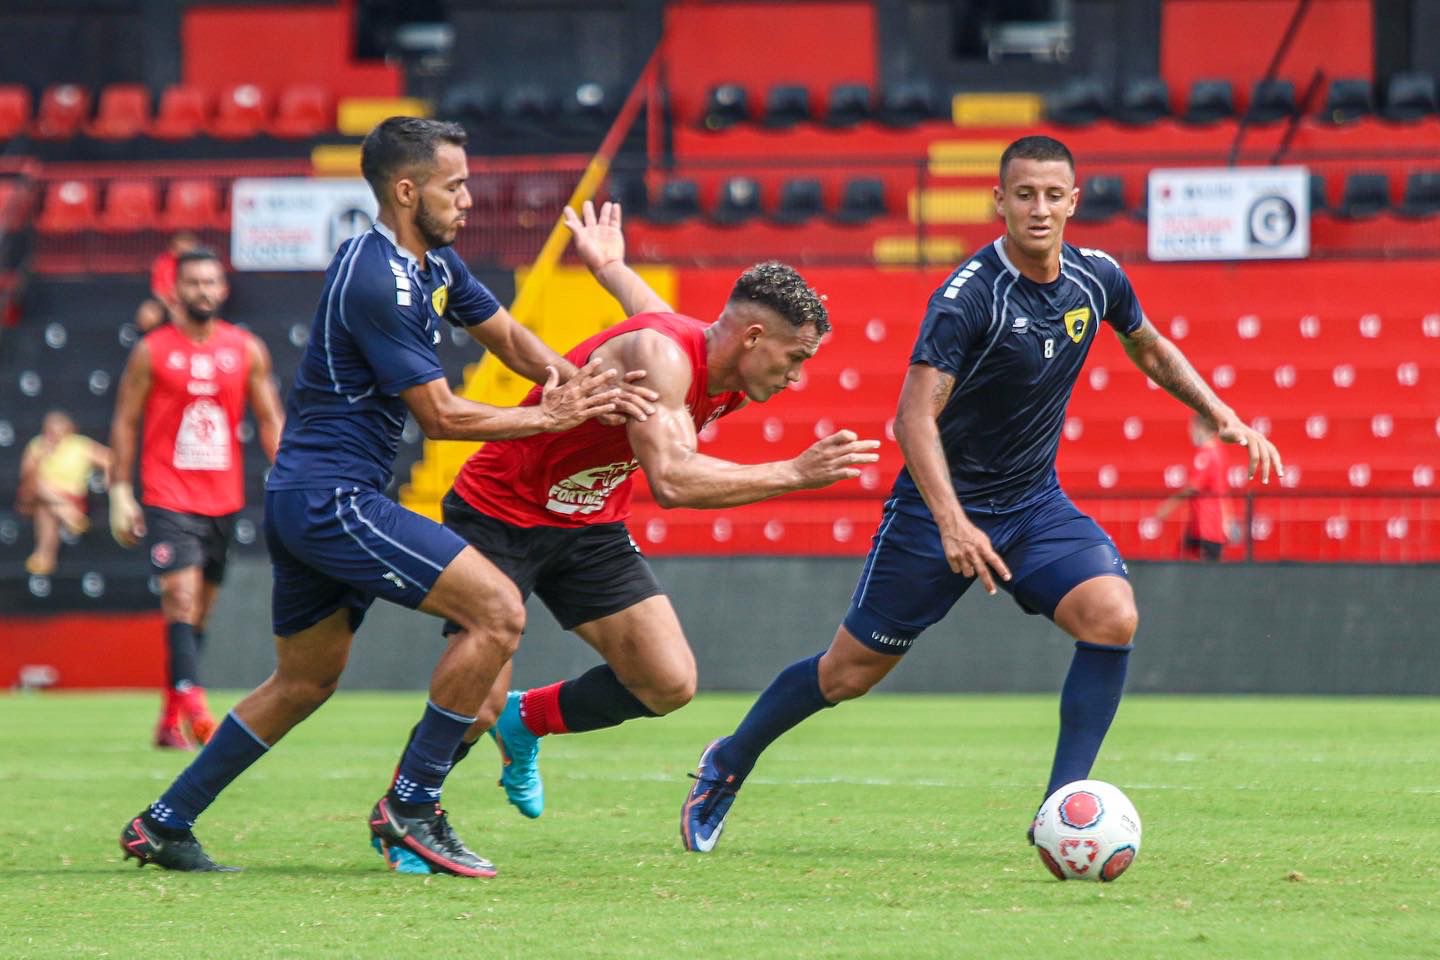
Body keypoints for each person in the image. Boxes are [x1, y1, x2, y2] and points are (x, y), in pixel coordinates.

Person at [678, 135, 1285, 855]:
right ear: (1000, 201)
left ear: (1074, 201)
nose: (1039, 208)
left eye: (1053, 195)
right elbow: (912, 419)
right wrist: (953, 522)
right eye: (1024, 194)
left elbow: (1147, 344)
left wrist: (1219, 412)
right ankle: (728, 761)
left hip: (1032, 504)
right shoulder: (968, 298)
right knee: (846, 675)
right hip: (934, 513)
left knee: (1111, 616)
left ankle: (1062, 809)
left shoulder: (1098, 278)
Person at [117, 117, 649, 877]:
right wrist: (549, 416)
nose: (468, 199)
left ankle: (163, 823)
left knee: (303, 682)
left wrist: (579, 380)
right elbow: (441, 416)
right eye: (454, 186)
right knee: (498, 612)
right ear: (406, 191)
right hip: (332, 498)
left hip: (311, 496)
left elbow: (506, 337)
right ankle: (412, 806)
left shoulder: (430, 262)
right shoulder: (380, 279)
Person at [399, 199, 879, 836]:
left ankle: (526, 719)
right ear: (753, 338)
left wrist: (610, 266)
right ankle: (410, 808)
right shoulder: (667, 356)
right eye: (794, 358)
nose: (796, 377)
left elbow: (650, 310)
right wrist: (792, 472)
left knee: (667, 681)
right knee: (475, 707)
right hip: (501, 511)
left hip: (587, 523)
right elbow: (673, 480)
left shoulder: (717, 359)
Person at [108, 248, 286, 750]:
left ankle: (169, 721)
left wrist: (290, 477)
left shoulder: (245, 348)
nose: (203, 291)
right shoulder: (152, 351)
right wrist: (120, 491)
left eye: (211, 282)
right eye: (194, 283)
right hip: (168, 495)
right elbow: (125, 421)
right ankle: (197, 710)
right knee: (180, 597)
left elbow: (270, 419)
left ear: (223, 289)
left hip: (223, 500)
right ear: (175, 291)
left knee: (198, 613)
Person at [16, 410, 111, 576]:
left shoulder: (80, 445)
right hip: (40, 497)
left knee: (45, 508)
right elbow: (26, 477)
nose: (53, 432)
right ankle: (67, 513)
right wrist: (40, 457)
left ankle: (44, 557)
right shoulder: (37, 444)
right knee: (40, 490)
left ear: (68, 428)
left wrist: (109, 481)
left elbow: (109, 459)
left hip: (71, 498)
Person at [1154, 413, 1234, 561]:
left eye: (1192, 428)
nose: (1190, 433)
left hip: (1207, 526)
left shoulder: (1206, 454)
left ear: (1200, 427)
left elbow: (1193, 487)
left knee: (1200, 566)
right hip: (1206, 524)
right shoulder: (1219, 450)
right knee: (1186, 558)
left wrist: (1167, 507)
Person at [135, 231, 201, 334]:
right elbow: (158, 291)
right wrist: (171, 307)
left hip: (191, 304)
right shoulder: (163, 262)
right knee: (148, 314)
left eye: (185, 248)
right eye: (178, 247)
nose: (181, 250)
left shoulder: (199, 265)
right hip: (166, 304)